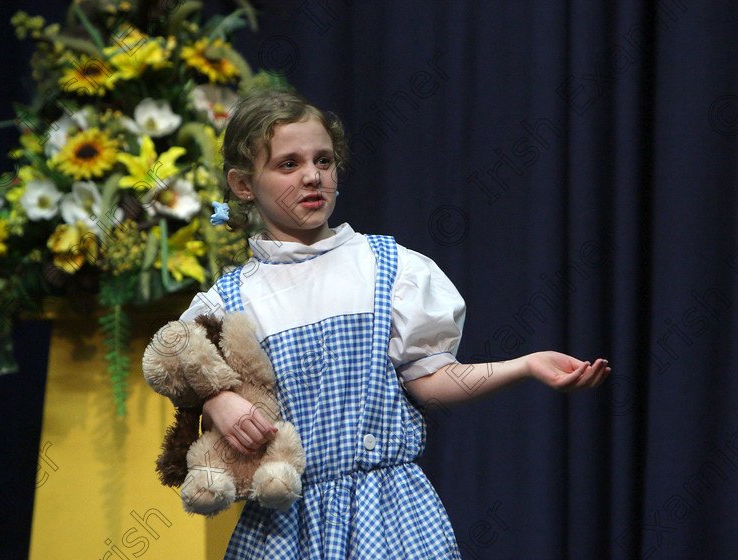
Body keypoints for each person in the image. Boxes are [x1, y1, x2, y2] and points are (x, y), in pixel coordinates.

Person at [178, 89, 610, 559]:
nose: (312, 176)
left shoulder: (388, 266)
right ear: (243, 185)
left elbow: (431, 380)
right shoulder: (231, 297)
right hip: (286, 524)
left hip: (389, 515)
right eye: (288, 164)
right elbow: (178, 360)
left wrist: (523, 366)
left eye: (324, 160)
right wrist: (216, 397)